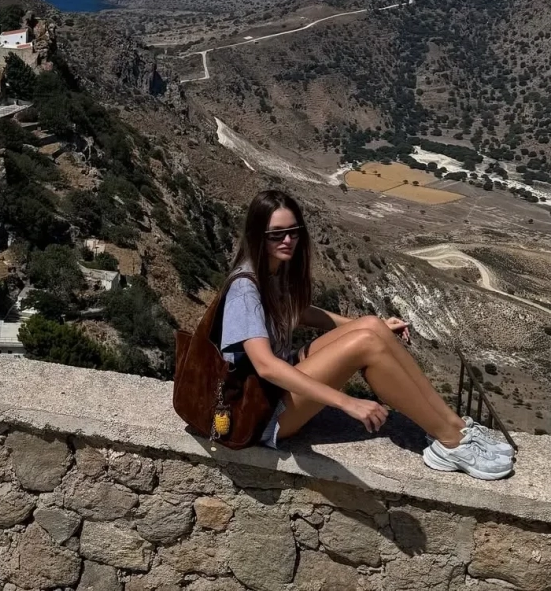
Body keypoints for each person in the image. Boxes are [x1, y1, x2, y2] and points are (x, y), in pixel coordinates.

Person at [220, 189, 514, 479]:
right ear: (257, 234)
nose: (287, 240)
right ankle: (450, 443)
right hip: (259, 411)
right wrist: (346, 402)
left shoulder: (270, 271)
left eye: (293, 232)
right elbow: (266, 366)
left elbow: (300, 313)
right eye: (276, 234)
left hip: (272, 389)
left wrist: (368, 324)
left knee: (372, 327)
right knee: (366, 344)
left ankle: (455, 426)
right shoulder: (244, 290)